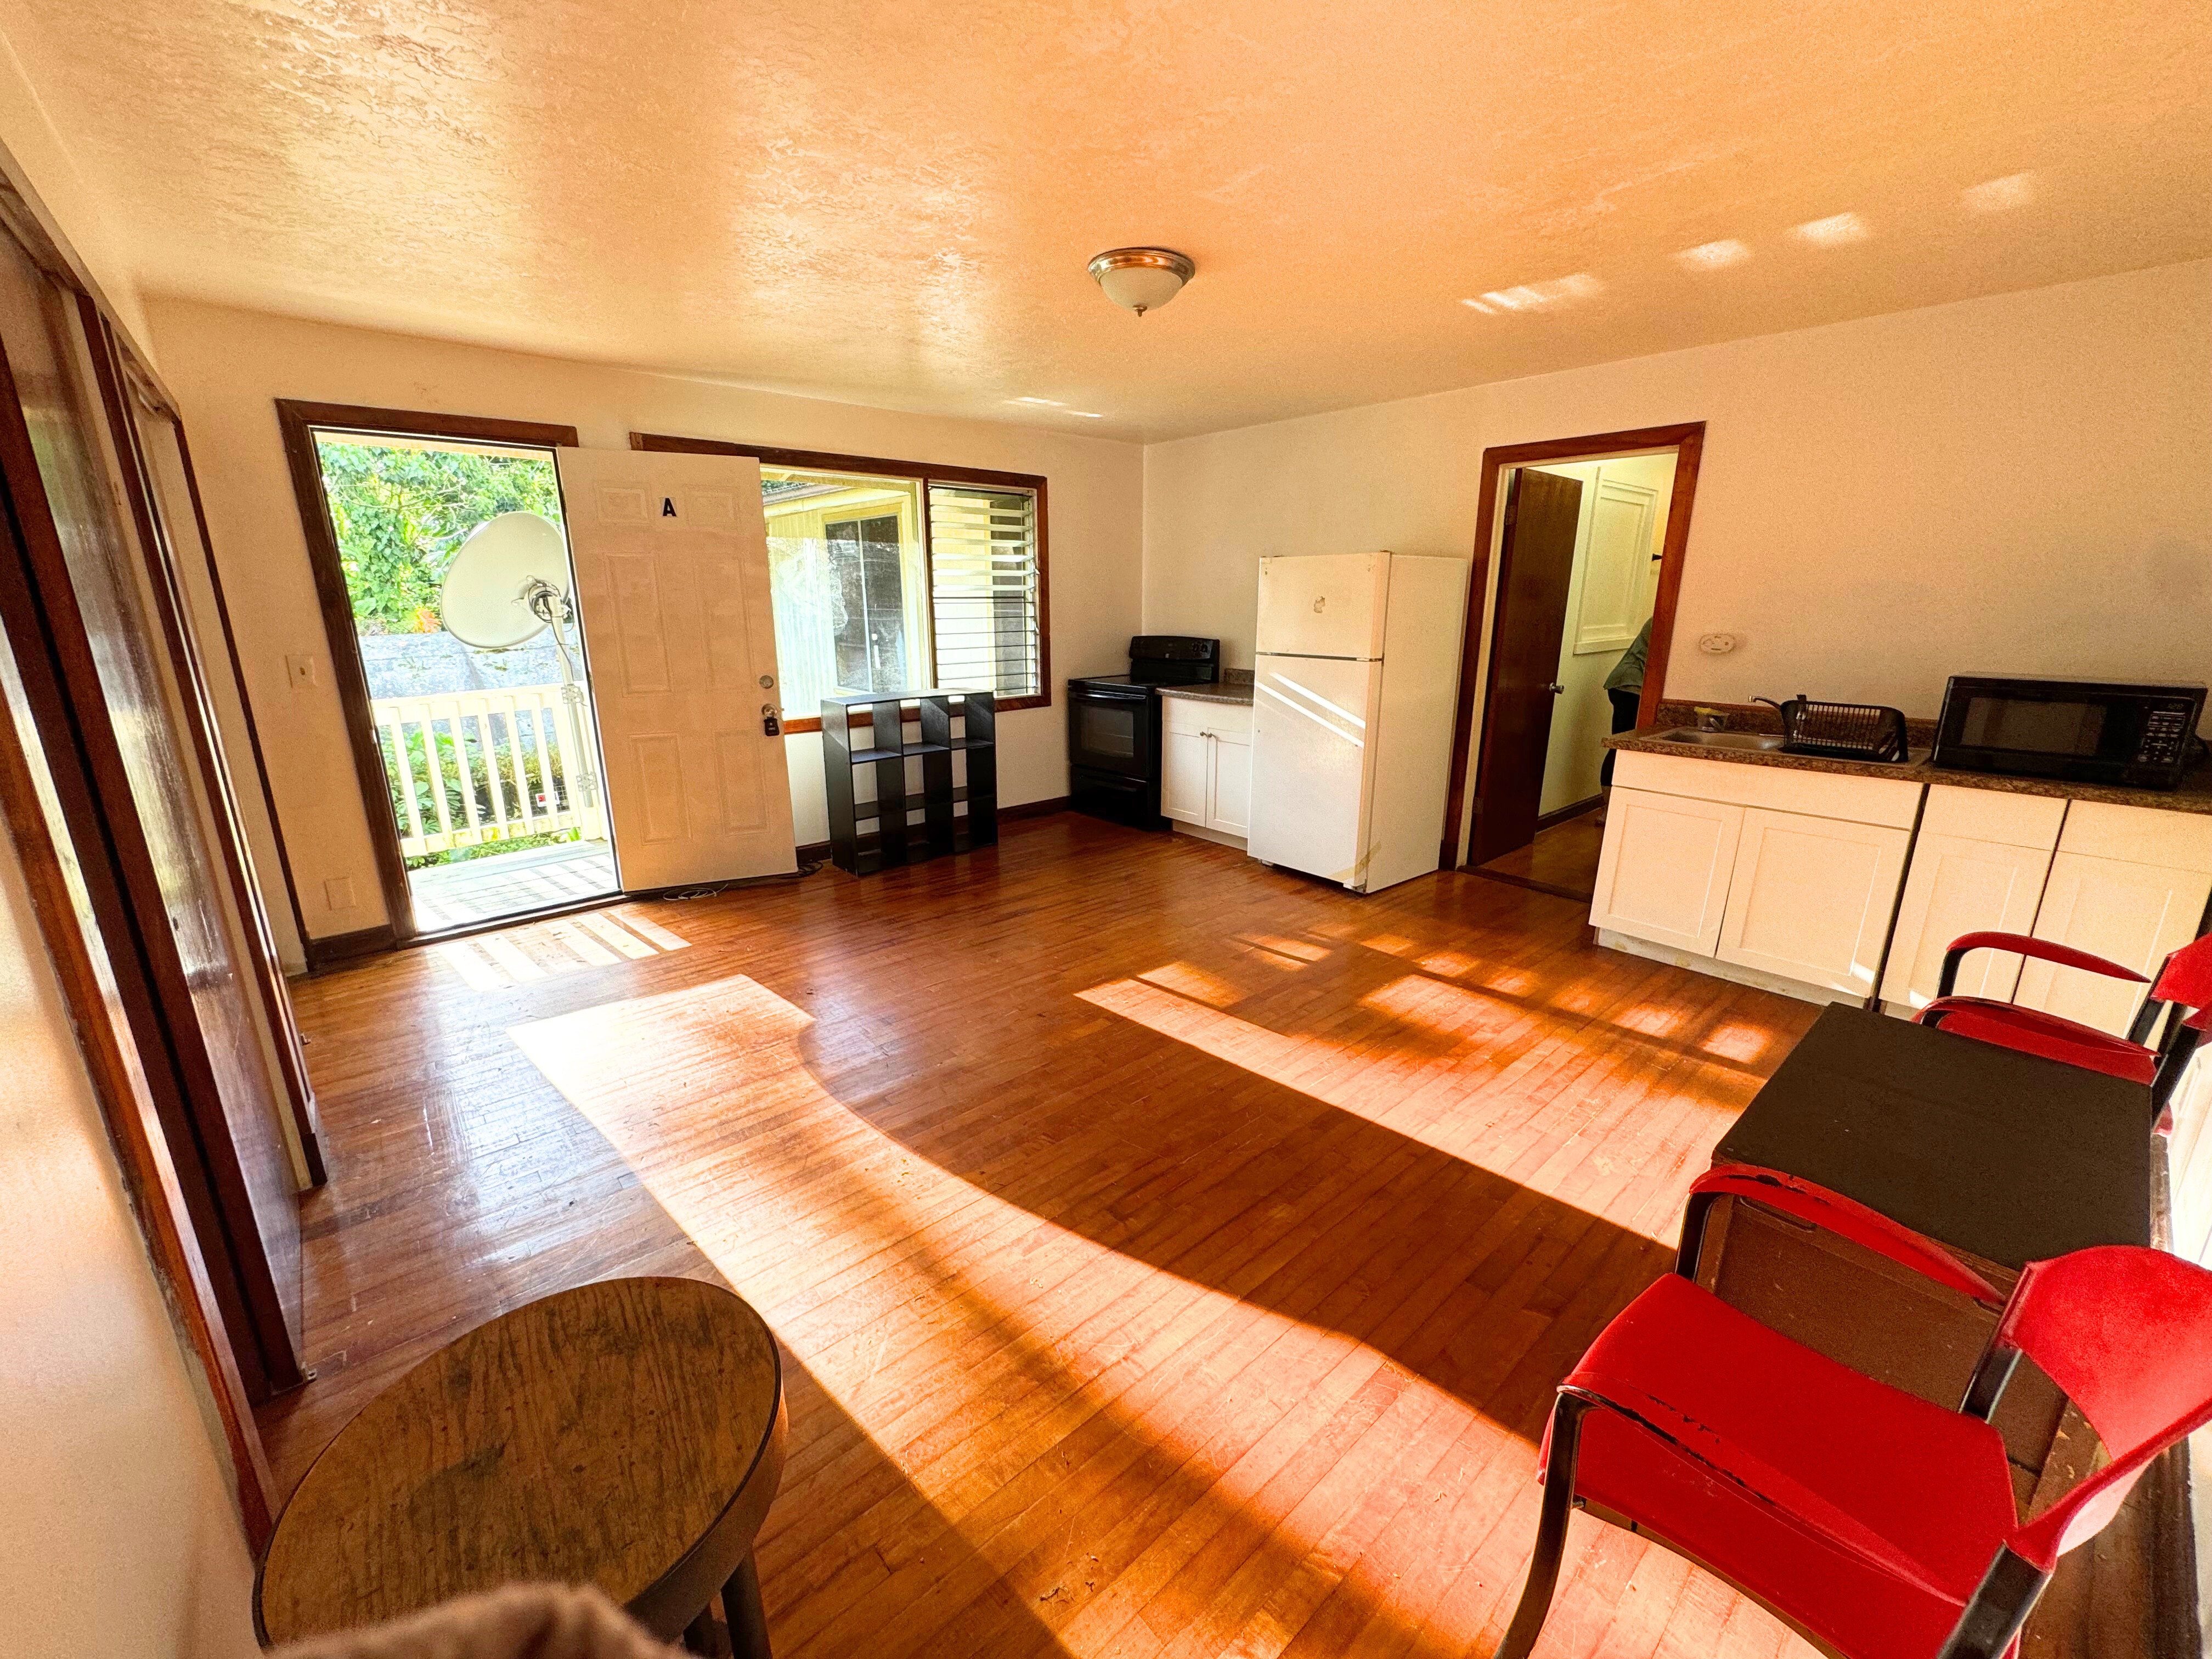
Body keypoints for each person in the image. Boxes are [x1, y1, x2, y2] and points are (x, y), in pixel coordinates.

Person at [1600, 617, 1652, 793]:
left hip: (1630, 683)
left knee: (1621, 746)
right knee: (1622, 747)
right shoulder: (1666, 617)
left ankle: (1609, 808)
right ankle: (1608, 809)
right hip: (1630, 684)